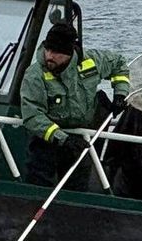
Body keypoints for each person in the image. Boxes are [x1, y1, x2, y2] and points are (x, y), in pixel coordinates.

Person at [18, 21, 130, 187]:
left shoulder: (92, 61)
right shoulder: (35, 75)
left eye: (56, 52)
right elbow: (33, 115)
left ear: (69, 52)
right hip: (48, 143)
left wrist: (120, 94)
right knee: (40, 187)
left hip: (79, 139)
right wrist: (63, 139)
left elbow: (119, 64)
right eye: (48, 49)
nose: (49, 56)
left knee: (77, 186)